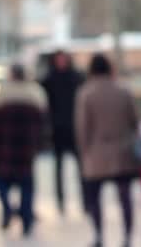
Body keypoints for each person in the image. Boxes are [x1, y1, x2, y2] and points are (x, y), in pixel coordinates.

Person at [75, 54, 141, 247]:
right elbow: (135, 120)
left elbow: (82, 127)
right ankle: (127, 236)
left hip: (96, 152)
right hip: (123, 150)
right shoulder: (123, 90)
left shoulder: (86, 93)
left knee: (95, 199)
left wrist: (84, 151)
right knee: (125, 196)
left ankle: (98, 236)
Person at [0, 64, 47, 236]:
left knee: (2, 183)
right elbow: (42, 126)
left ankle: (8, 210)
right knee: (26, 185)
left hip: (6, 147)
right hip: (26, 148)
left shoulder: (0, 96)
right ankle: (26, 219)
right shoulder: (36, 94)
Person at [40, 50, 84, 214]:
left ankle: (85, 201)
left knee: (81, 168)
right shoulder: (49, 79)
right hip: (57, 129)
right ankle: (60, 201)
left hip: (74, 128)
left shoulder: (76, 78)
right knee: (58, 168)